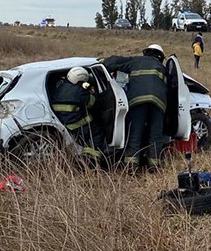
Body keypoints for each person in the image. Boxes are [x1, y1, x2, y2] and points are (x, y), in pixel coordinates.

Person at [102, 44, 169, 173]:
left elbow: (114, 62)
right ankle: (153, 167)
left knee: (135, 133)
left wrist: (102, 62)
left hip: (137, 102)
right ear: (160, 56)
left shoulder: (136, 61)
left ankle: (131, 167)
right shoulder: (163, 68)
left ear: (147, 53)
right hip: (158, 104)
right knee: (155, 135)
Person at [51, 67, 107, 167]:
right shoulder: (79, 91)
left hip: (62, 120)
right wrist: (92, 92)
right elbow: (93, 103)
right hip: (76, 123)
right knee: (97, 134)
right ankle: (91, 161)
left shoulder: (58, 86)